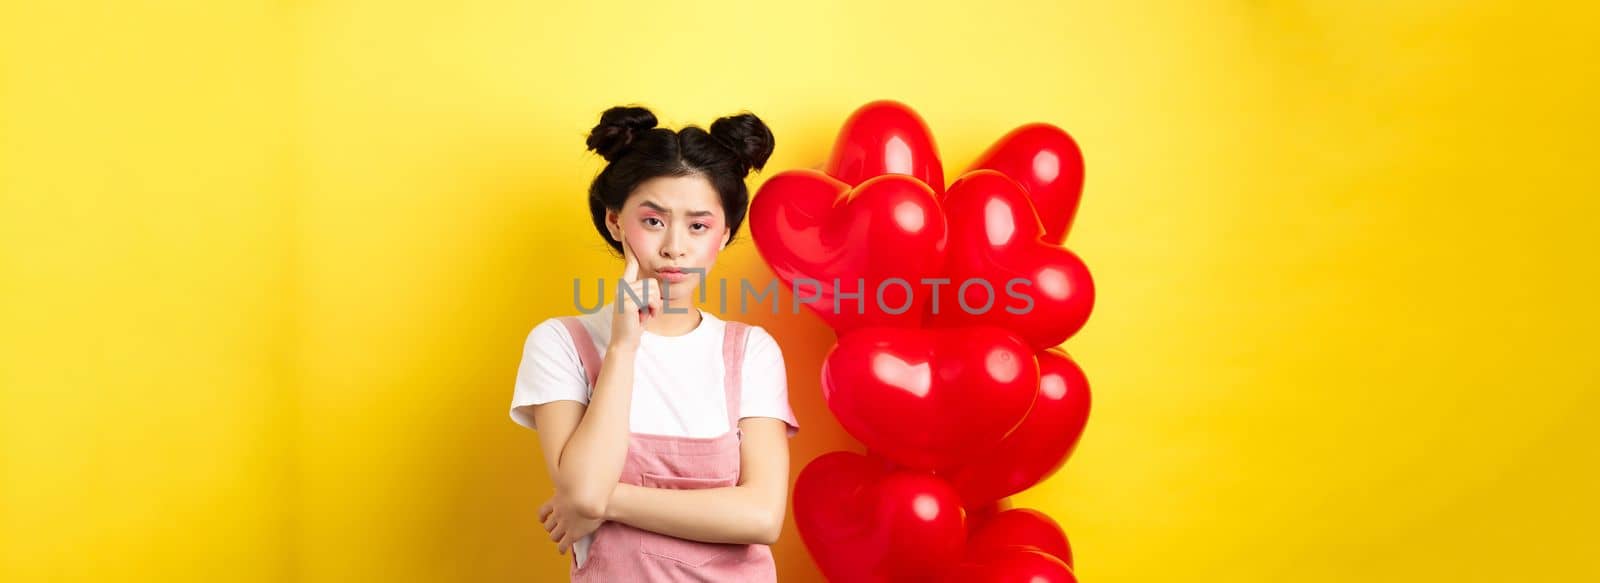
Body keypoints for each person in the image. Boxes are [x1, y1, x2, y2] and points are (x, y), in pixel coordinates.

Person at [510, 105, 799, 581]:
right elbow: (581, 495)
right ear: (615, 222)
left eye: (698, 226)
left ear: (723, 235)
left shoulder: (750, 351)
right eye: (653, 221)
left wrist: (609, 499)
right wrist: (623, 348)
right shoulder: (561, 343)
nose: (675, 247)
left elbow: (762, 517)